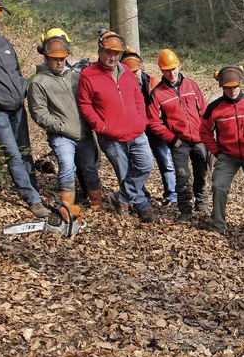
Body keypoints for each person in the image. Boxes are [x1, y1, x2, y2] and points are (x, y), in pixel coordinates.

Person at [0, 0, 49, 218]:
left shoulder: (4, 42)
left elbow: (15, 70)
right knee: (13, 154)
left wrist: (20, 88)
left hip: (17, 106)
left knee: (25, 151)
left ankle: (34, 190)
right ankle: (32, 199)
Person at [77, 30, 156, 223]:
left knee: (146, 166)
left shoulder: (127, 71)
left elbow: (138, 96)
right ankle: (142, 206)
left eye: (116, 53)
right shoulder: (88, 75)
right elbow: (85, 105)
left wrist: (141, 119)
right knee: (125, 173)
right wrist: (101, 126)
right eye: (108, 53)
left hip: (136, 132)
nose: (112, 57)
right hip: (111, 136)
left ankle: (121, 198)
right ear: (100, 51)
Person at [27, 29, 103, 212]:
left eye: (62, 58)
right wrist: (60, 126)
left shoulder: (75, 77)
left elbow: (88, 100)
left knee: (90, 168)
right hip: (61, 136)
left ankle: (97, 203)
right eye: (55, 58)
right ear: (46, 58)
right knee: (67, 166)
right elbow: (39, 113)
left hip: (83, 133)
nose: (60, 62)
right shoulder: (39, 82)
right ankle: (67, 205)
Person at [199, 65, 244, 234]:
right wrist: (216, 151)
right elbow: (204, 131)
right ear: (222, 87)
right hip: (227, 156)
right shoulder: (214, 108)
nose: (232, 91)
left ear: (240, 85)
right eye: (228, 88)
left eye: (235, 87)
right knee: (219, 186)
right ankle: (217, 224)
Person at [147, 49, 208, 223]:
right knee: (182, 176)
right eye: (167, 70)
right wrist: (172, 139)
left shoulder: (191, 85)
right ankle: (185, 211)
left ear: (178, 66)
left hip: (199, 139)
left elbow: (203, 111)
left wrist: (206, 133)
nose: (171, 73)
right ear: (161, 70)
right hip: (179, 142)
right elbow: (153, 122)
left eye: (173, 68)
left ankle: (202, 205)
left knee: (201, 173)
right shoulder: (157, 93)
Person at [121, 47, 177, 206]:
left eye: (136, 71)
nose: (134, 74)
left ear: (140, 68)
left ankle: (172, 195)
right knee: (137, 165)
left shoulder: (153, 81)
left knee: (165, 161)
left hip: (154, 127)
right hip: (135, 129)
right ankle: (140, 196)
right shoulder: (122, 86)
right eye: (130, 71)